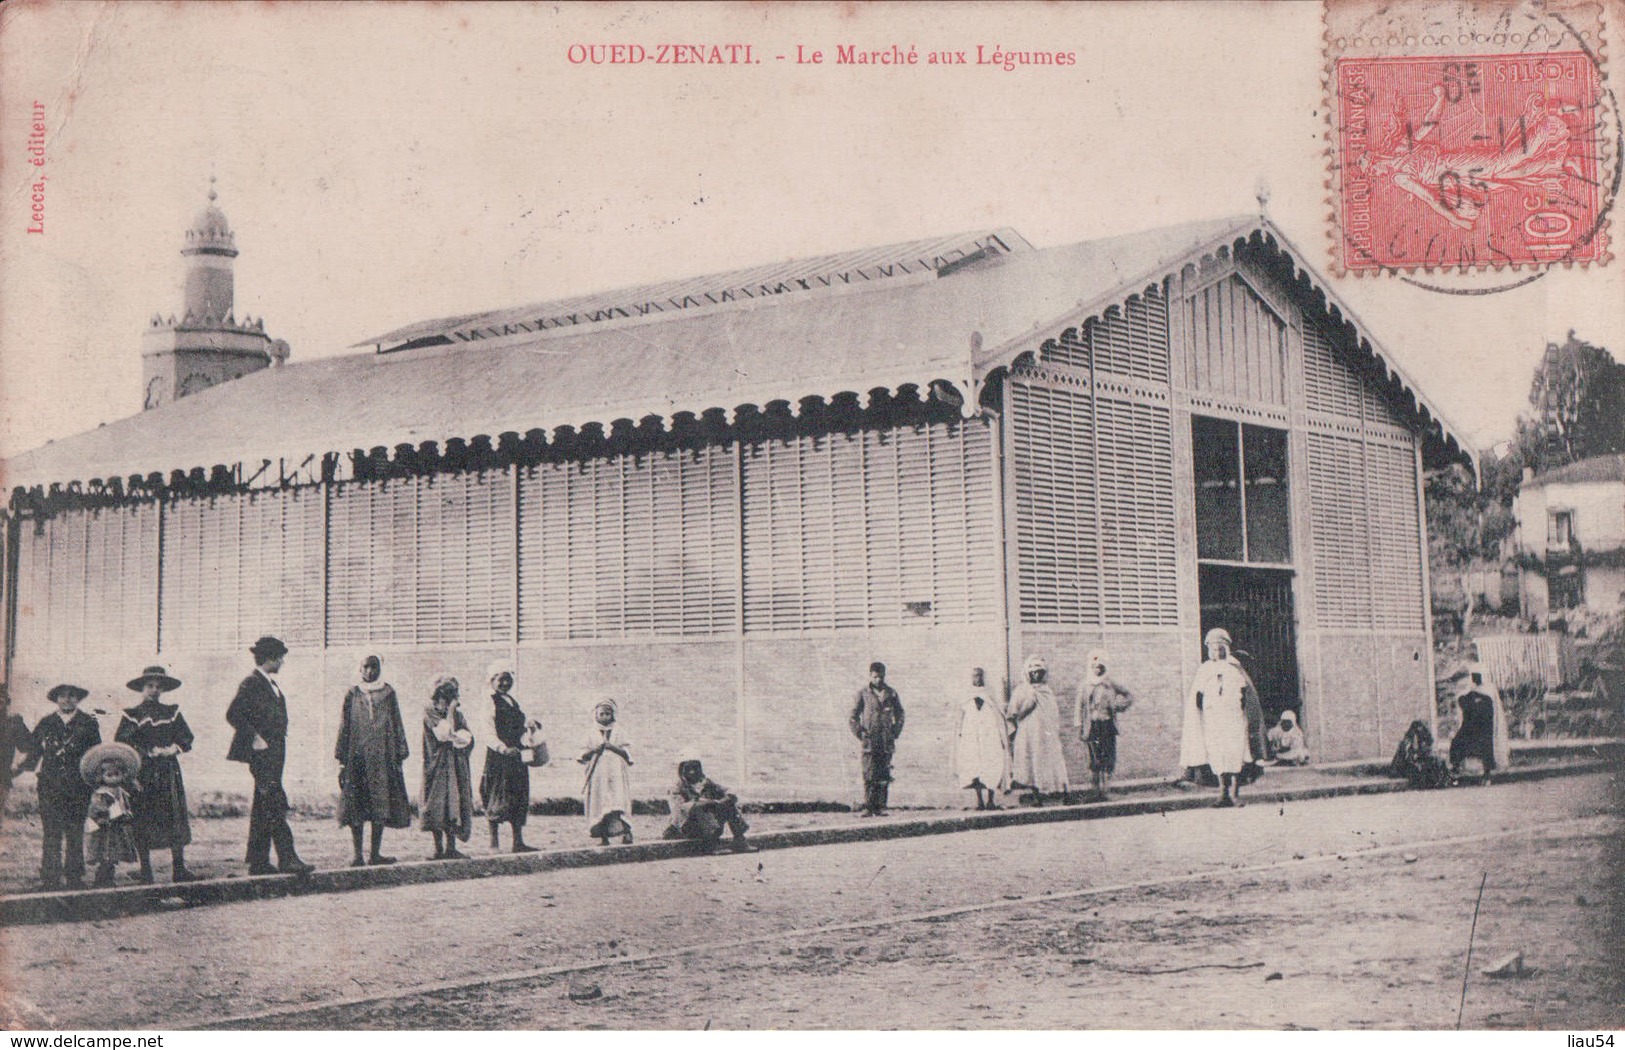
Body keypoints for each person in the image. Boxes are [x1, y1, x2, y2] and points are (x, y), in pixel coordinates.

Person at [226, 636, 313, 876]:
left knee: (264, 804)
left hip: (274, 752)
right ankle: (288, 858)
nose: (283, 661)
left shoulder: (269, 683)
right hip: (263, 754)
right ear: (269, 658)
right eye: (280, 657)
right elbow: (234, 714)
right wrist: (254, 737)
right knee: (274, 802)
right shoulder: (252, 683)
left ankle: (259, 861)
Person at [114, 665, 199, 884]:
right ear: (142, 688)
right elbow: (123, 742)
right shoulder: (132, 715)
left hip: (168, 771)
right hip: (144, 773)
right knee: (143, 817)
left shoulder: (172, 712)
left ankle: (179, 869)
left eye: (158, 687)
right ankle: (146, 871)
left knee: (174, 816)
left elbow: (186, 737)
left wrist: (173, 749)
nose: (154, 690)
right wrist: (147, 752)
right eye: (149, 686)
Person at [335, 654, 412, 867]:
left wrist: (400, 751)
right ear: (360, 669)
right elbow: (344, 725)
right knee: (356, 805)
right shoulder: (352, 693)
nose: (370, 672)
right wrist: (342, 757)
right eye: (366, 667)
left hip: (382, 757)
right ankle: (357, 854)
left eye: (374, 667)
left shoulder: (388, 693)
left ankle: (375, 853)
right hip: (357, 757)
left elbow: (396, 722)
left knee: (380, 804)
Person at [29, 684, 101, 890]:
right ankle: (50, 878)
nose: (67, 700)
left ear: (78, 699)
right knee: (51, 831)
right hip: (50, 785)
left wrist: (95, 781)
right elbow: (33, 750)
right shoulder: (47, 722)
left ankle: (74, 877)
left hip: (78, 786)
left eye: (72, 696)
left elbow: (94, 755)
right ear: (56, 699)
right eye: (62, 696)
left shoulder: (88, 723)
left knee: (75, 831)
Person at [478, 660, 541, 854]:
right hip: (500, 756)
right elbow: (487, 730)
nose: (505, 683)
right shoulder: (489, 701)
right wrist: (502, 748)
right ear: (492, 680)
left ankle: (518, 842)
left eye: (508, 679)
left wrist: (529, 731)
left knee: (518, 795)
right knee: (497, 796)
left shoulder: (512, 701)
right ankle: (494, 843)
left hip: (517, 755)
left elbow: (519, 729)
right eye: (501, 679)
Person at [1185, 628, 1252, 807]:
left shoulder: (1235, 667)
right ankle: (1223, 794)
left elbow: (1247, 695)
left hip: (1234, 719)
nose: (1217, 652)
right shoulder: (1205, 669)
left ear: (1226, 649)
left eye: (1220, 648)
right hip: (1213, 720)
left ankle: (1234, 794)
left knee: (1235, 754)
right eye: (1214, 649)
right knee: (1217, 755)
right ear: (1209, 650)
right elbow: (1197, 697)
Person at [421, 675, 475, 860]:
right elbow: (445, 734)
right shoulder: (431, 713)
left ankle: (451, 847)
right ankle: (438, 848)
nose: (448, 698)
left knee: (454, 804)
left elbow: (466, 738)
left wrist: (459, 737)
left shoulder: (459, 716)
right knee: (437, 804)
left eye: (451, 694)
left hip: (456, 765)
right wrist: (451, 714)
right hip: (437, 766)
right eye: (443, 694)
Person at [1008, 655, 1069, 805]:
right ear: (1028, 674)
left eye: (1040, 672)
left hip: (1046, 734)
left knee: (1049, 761)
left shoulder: (1047, 691)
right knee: (1032, 761)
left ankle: (1060, 792)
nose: (1036, 675)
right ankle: (1037, 796)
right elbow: (1012, 713)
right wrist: (1028, 706)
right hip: (1028, 733)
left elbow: (1053, 714)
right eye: (1033, 672)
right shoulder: (1022, 690)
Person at [1073, 650, 1134, 800]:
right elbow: (1079, 707)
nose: (1098, 670)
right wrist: (1079, 725)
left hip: (1107, 725)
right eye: (1095, 667)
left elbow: (1129, 696)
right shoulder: (1085, 685)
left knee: (1108, 757)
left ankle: (1105, 791)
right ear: (1091, 668)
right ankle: (1095, 791)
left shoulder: (1110, 683)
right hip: (1092, 726)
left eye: (1101, 667)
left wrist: (1118, 707)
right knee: (1094, 758)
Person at [663, 759, 756, 853]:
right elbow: (681, 808)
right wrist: (705, 803)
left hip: (708, 826)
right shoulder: (676, 788)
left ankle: (739, 839)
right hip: (685, 827)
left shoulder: (707, 784)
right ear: (681, 771)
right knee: (699, 808)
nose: (692, 772)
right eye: (688, 769)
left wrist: (727, 798)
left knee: (729, 804)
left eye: (695, 768)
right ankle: (712, 844)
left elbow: (727, 791)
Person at [849, 661, 905, 817]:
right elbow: (853, 717)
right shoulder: (863, 694)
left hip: (886, 740)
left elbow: (900, 714)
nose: (878, 680)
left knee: (883, 774)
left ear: (884, 676)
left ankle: (880, 806)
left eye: (881, 677)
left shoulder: (891, 693)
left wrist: (895, 731)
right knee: (869, 774)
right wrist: (860, 733)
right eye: (875, 677)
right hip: (870, 740)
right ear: (870, 676)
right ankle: (868, 806)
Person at [81, 742, 141, 888]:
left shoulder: (121, 792)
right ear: (101, 776)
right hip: (105, 829)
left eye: (117, 774)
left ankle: (109, 876)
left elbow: (124, 805)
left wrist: (127, 814)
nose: (113, 778)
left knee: (114, 854)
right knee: (104, 853)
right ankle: (101, 878)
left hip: (117, 829)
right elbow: (96, 810)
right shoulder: (101, 793)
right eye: (109, 775)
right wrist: (103, 817)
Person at [580, 698, 634, 845]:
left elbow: (627, 753)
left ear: (613, 715)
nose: (605, 717)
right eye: (602, 714)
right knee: (601, 804)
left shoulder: (619, 731)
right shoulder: (591, 732)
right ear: (596, 715)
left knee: (618, 802)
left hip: (616, 772)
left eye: (608, 714)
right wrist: (594, 750)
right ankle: (604, 837)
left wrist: (612, 747)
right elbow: (582, 755)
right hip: (598, 774)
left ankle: (627, 833)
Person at [953, 668, 1008, 810]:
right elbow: (960, 718)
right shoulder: (966, 696)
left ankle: (991, 800)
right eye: (975, 676)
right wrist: (960, 734)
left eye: (980, 676)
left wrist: (1001, 735)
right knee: (974, 767)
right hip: (972, 737)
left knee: (991, 766)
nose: (977, 678)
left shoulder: (989, 694)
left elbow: (998, 715)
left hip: (990, 736)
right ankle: (979, 801)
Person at [1448, 662, 1510, 782]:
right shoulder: (1468, 691)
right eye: (1474, 675)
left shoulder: (1489, 690)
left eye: (1478, 675)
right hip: (1470, 725)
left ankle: (1487, 774)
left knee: (1485, 748)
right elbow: (1462, 703)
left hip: (1485, 725)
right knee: (1458, 743)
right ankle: (1456, 768)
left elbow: (1492, 709)